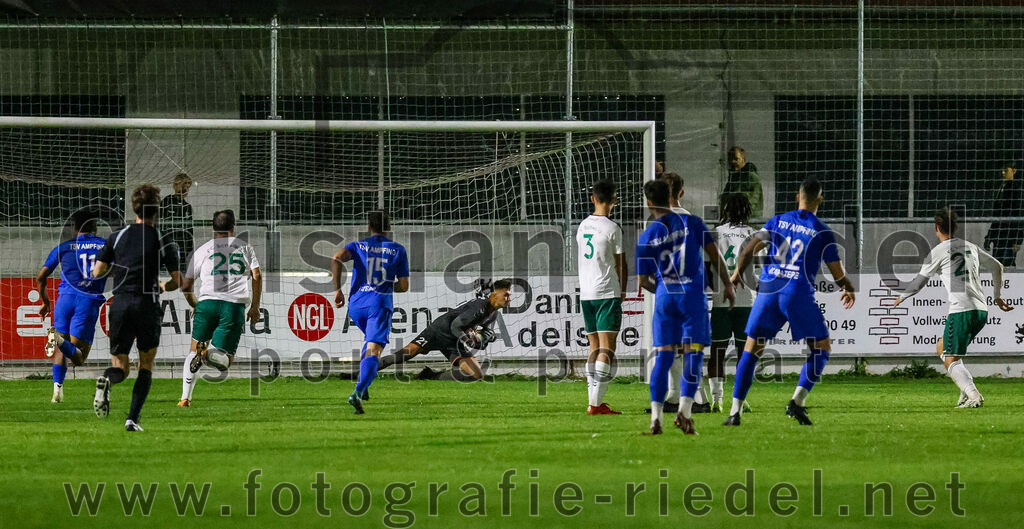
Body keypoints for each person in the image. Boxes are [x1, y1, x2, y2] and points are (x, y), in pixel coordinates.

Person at [725, 178, 855, 427]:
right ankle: (797, 401)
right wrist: (847, 288)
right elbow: (836, 272)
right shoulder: (821, 230)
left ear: (798, 196)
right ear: (821, 199)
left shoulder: (777, 220)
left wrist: (736, 274)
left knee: (751, 349)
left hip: (769, 290)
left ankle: (734, 412)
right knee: (822, 347)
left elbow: (749, 249)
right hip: (796, 291)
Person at [637, 179, 734, 435]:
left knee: (664, 356)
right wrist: (728, 284)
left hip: (666, 297)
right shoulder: (693, 222)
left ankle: (656, 420)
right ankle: (685, 412)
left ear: (649, 203)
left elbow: (642, 280)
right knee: (694, 354)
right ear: (672, 195)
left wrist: (662, 288)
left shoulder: (648, 233)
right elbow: (715, 255)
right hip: (693, 297)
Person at [895, 208, 1013, 408]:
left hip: (962, 309)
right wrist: (998, 297)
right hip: (981, 309)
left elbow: (918, 284)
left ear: (936, 228)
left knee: (950, 359)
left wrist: (901, 297)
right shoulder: (970, 247)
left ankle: (974, 396)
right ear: (956, 227)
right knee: (942, 347)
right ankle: (965, 391)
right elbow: (997, 267)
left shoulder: (938, 252)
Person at [92, 185, 182, 432]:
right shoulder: (162, 238)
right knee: (145, 365)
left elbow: (96, 271)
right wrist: (164, 285)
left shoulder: (117, 236)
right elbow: (177, 280)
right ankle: (132, 419)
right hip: (146, 304)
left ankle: (107, 380)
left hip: (120, 304)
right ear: (158, 210)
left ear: (134, 208)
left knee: (121, 367)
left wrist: (122, 272)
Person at [177, 210, 262, 407]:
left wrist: (196, 305)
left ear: (213, 229)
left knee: (193, 350)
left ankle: (185, 398)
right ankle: (206, 355)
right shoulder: (244, 248)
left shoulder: (202, 249)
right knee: (226, 360)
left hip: (207, 304)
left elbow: (186, 286)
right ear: (233, 228)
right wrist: (255, 307)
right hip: (233, 307)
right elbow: (256, 275)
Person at [332, 211, 410, 415]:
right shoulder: (398, 250)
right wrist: (386, 286)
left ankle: (365, 386)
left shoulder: (357, 246)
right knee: (374, 351)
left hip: (356, 305)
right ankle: (358, 392)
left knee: (369, 345)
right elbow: (404, 286)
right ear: (389, 228)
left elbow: (336, 258)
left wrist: (337, 289)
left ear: (369, 227)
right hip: (379, 303)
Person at [378, 279, 513, 382]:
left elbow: (479, 344)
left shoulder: (493, 314)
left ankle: (430, 376)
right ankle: (362, 372)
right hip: (439, 331)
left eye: (509, 295)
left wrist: (486, 339)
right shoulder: (479, 306)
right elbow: (455, 326)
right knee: (402, 355)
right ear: (494, 295)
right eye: (506, 295)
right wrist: (469, 340)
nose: (509, 299)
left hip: (454, 339)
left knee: (476, 375)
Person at [37, 210, 108, 403]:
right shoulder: (104, 245)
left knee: (64, 347)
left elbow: (41, 277)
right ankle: (57, 339)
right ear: (95, 228)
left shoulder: (64, 247)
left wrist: (46, 302)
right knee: (78, 357)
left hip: (64, 300)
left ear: (75, 228)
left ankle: (57, 391)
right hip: (87, 301)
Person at [575, 181, 627, 415]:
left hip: (586, 294)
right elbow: (621, 264)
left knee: (593, 345)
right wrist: (623, 291)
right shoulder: (613, 228)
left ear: (593, 198)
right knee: (608, 346)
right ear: (614, 201)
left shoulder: (582, 226)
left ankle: (593, 400)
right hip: (606, 292)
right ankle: (595, 404)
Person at [708, 193, 760, 413]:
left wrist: (715, 288)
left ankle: (716, 399)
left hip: (721, 299)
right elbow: (758, 270)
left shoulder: (715, 233)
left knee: (717, 350)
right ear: (747, 210)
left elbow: (707, 266)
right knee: (744, 352)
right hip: (746, 299)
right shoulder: (753, 234)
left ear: (724, 210)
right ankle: (740, 398)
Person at [984, 162, 1023, 268]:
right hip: (999, 236)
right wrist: (990, 236)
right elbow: (997, 216)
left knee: (1006, 265)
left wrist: (1018, 239)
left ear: (1014, 171)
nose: (1002, 172)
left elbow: (1019, 214)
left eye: (1006, 170)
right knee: (999, 265)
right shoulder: (1001, 188)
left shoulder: (1016, 190)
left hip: (1009, 237)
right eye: (1001, 170)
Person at [159, 173, 195, 273]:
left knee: (181, 271)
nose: (186, 189)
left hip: (183, 247)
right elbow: (159, 225)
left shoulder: (187, 206)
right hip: (168, 245)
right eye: (183, 186)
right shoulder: (166, 202)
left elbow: (189, 228)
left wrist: (190, 246)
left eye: (188, 187)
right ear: (175, 186)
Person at [723, 146, 765, 219]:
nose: (732, 162)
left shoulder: (751, 176)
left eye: (736, 159)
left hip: (750, 219)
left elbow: (753, 200)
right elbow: (725, 196)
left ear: (743, 159)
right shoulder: (733, 177)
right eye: (730, 159)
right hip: (736, 219)